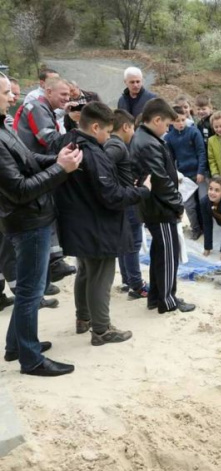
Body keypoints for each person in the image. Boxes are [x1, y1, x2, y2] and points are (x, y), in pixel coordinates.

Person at [0, 73, 82, 376]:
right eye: (7, 92)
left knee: (27, 290)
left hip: (30, 219)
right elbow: (20, 189)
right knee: (30, 292)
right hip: (28, 222)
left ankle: (16, 346)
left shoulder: (4, 128)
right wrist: (61, 169)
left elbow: (27, 157)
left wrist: (55, 158)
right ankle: (30, 359)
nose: (13, 98)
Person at [54, 102, 152, 345]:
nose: (108, 137)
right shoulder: (94, 153)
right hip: (96, 225)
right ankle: (101, 329)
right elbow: (110, 195)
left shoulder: (65, 141)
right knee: (101, 275)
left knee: (85, 272)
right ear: (95, 126)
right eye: (107, 132)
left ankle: (83, 318)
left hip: (76, 222)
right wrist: (142, 192)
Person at [130, 98, 195, 314]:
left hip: (155, 206)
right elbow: (160, 180)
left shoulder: (145, 137)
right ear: (157, 119)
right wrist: (178, 205)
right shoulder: (147, 142)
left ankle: (156, 297)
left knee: (160, 252)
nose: (167, 129)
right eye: (166, 124)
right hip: (160, 207)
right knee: (168, 254)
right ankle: (167, 301)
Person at [14, 76, 78, 284]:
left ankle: (48, 272)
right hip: (34, 172)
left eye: (69, 95)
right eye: (63, 95)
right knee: (42, 218)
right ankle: (49, 268)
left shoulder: (45, 109)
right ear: (48, 92)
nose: (67, 99)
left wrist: (67, 114)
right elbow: (50, 142)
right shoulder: (35, 108)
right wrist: (78, 131)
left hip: (38, 168)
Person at [105, 109, 150, 299]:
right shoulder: (117, 146)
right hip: (127, 199)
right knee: (133, 243)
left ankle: (126, 280)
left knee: (125, 242)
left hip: (122, 198)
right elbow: (103, 165)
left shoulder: (112, 143)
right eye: (132, 128)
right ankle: (136, 285)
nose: (133, 133)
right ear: (125, 126)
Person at [165, 105, 208, 240]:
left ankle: (207, 228)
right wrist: (176, 175)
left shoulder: (194, 132)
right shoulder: (169, 138)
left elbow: (201, 152)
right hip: (184, 176)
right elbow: (171, 159)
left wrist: (201, 171)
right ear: (172, 121)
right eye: (177, 120)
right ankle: (196, 229)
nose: (181, 123)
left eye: (183, 120)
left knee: (203, 202)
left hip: (199, 172)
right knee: (189, 206)